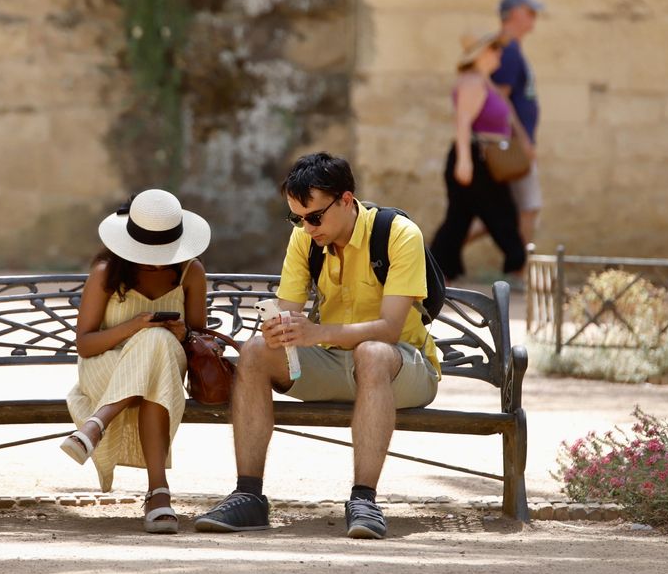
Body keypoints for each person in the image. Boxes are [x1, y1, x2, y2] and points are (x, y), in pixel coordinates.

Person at [192, 152, 441, 540]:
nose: (306, 227)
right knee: (256, 350)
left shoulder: (398, 233)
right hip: (333, 362)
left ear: (345, 199)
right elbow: (289, 312)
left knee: (372, 352)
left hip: (402, 369)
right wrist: (277, 330)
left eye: (314, 217)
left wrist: (315, 333)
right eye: (297, 218)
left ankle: (364, 501)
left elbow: (390, 329)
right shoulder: (305, 240)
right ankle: (248, 496)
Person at [62, 188, 210, 534]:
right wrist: (134, 326)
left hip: (166, 366)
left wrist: (181, 332)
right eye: (147, 252)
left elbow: (199, 340)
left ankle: (96, 424)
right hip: (106, 369)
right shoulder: (106, 273)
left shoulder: (192, 273)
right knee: (152, 344)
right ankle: (158, 494)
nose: (156, 261)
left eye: (163, 251)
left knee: (157, 343)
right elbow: (85, 345)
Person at [430, 31, 529, 283]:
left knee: (460, 219)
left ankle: (438, 271)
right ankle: (516, 268)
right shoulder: (473, 82)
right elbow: (462, 121)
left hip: (483, 158)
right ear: (482, 54)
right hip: (477, 158)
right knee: (501, 213)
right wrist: (465, 161)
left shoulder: (483, 80)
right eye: (494, 48)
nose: (499, 53)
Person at [492, 0, 544, 245]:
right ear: (514, 14)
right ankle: (520, 268)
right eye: (529, 11)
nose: (534, 17)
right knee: (529, 205)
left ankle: (441, 255)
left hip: (515, 141)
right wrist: (523, 140)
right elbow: (501, 98)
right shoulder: (509, 48)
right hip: (514, 143)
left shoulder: (512, 47)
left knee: (503, 212)